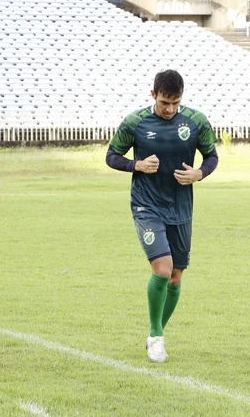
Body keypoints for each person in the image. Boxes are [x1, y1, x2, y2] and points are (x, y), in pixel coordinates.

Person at [106, 69, 218, 363]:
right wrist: (137, 165)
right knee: (163, 269)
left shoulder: (195, 121)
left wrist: (199, 173)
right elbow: (112, 155)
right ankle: (156, 336)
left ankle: (155, 334)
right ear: (153, 94)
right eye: (164, 102)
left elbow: (212, 156)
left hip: (181, 208)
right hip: (147, 206)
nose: (169, 109)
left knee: (176, 277)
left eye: (175, 103)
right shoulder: (136, 122)